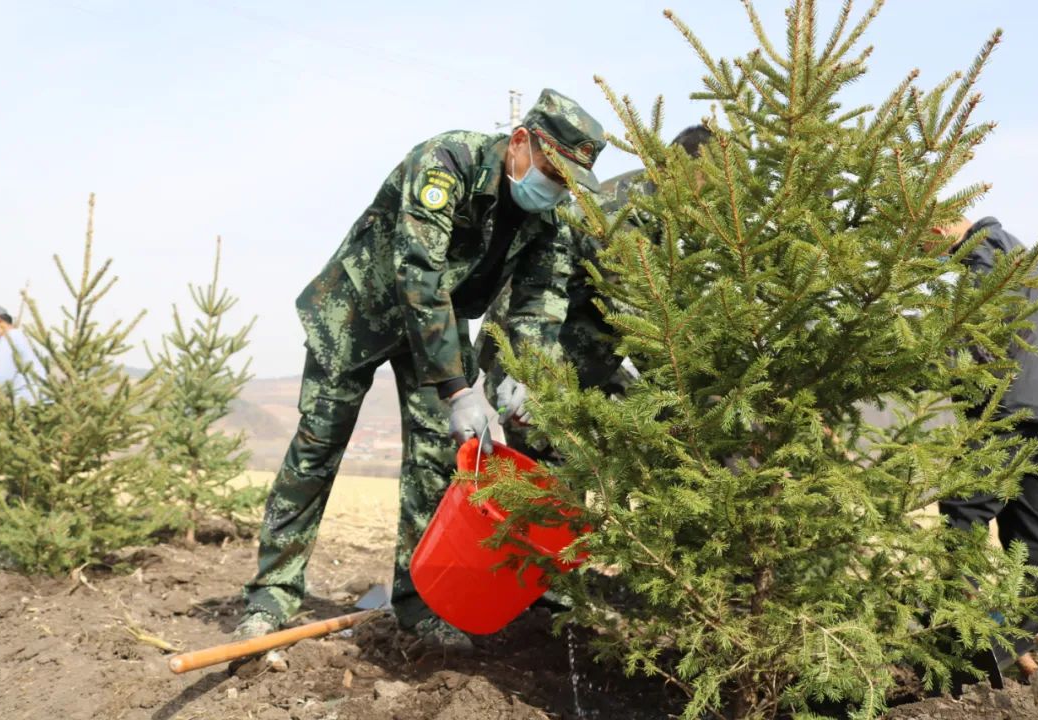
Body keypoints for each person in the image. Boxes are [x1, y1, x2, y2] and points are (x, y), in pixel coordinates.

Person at [236, 89, 606, 649]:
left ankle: (417, 604)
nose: (556, 187)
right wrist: (459, 389)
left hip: (433, 332)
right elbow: (420, 274)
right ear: (521, 143)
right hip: (355, 314)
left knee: (435, 459)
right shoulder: (446, 161)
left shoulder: (550, 218)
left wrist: (525, 374)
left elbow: (539, 304)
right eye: (552, 170)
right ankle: (272, 595)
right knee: (317, 448)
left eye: (569, 181)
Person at [480, 125, 714, 454]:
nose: (711, 202)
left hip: (586, 363)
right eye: (709, 185)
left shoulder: (658, 212)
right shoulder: (622, 220)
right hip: (534, 361)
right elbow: (643, 328)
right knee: (554, 486)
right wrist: (705, 401)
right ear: (678, 170)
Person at [934, 216, 1038, 676]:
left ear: (940, 227)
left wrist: (941, 362)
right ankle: (1023, 643)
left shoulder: (988, 250)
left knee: (962, 514)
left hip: (1008, 409)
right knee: (1033, 527)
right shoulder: (1016, 252)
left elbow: (980, 330)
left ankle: (973, 634)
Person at [0, 304, 44, 427]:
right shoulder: (25, 336)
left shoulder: (8, 339)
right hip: (45, 398)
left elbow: (3, 379)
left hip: (28, 404)